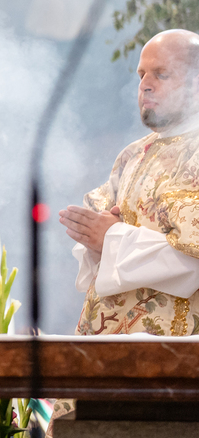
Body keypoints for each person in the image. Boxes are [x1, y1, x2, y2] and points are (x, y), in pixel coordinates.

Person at [60, 29, 199, 335]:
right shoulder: (132, 155)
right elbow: (100, 245)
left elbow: (192, 262)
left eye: (161, 74)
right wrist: (95, 240)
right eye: (141, 74)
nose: (145, 85)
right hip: (110, 345)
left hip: (177, 350)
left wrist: (112, 238)